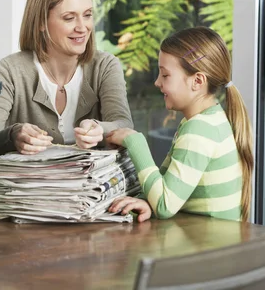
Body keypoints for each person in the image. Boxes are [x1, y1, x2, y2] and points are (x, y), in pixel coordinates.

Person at [106, 27, 254, 222]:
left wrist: (135, 142)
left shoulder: (200, 130)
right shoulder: (210, 120)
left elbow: (164, 205)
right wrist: (147, 201)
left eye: (165, 75)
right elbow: (165, 188)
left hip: (208, 248)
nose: (157, 83)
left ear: (197, 81)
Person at [0, 0, 133, 156]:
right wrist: (13, 135)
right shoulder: (10, 71)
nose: (82, 27)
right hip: (31, 185)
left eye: (87, 15)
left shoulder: (105, 66)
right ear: (41, 22)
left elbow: (124, 125)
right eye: (69, 18)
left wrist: (100, 129)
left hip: (90, 185)